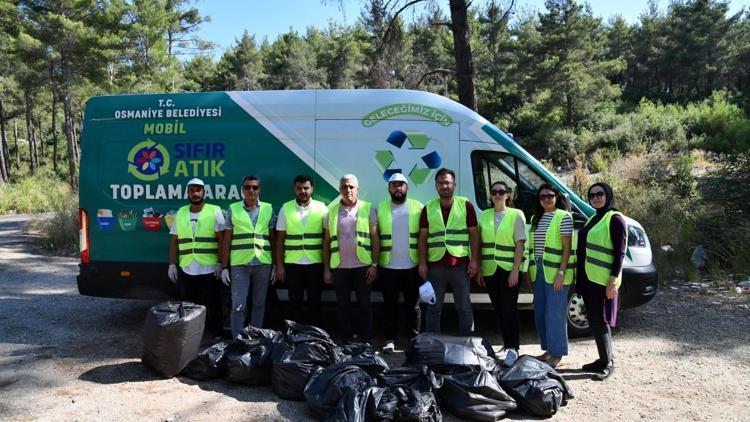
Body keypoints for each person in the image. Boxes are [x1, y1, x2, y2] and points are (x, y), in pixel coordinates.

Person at [417, 168, 479, 336]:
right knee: (433, 308)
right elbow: (422, 238)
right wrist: (422, 262)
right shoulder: (428, 208)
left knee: (464, 307)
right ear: (436, 186)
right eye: (441, 183)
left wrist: (474, 261)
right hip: (435, 267)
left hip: (460, 266)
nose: (444, 186)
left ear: (454, 185)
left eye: (448, 182)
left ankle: (466, 344)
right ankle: (433, 343)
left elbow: (474, 234)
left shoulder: (465, 205)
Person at [577, 182, 627, 380]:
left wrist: (613, 280)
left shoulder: (614, 219)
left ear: (608, 195)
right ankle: (602, 358)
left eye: (600, 194)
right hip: (589, 279)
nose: (596, 197)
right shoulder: (593, 218)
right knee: (595, 320)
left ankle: (608, 362)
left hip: (603, 280)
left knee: (601, 320)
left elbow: (620, 253)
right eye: (592, 195)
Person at [323, 174, 379, 344]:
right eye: (344, 187)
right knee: (342, 307)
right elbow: (326, 243)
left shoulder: (368, 208)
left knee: (364, 306)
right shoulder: (330, 211)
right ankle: (346, 341)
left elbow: (375, 238)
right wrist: (326, 269)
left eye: (351, 187)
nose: (348, 190)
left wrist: (375, 265)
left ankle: (366, 341)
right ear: (340, 189)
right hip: (339, 267)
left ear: (357, 189)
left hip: (363, 266)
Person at [167, 177, 226, 336]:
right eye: (192, 190)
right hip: (187, 268)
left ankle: (216, 334)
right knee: (189, 306)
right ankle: (191, 337)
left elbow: (222, 239)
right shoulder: (181, 212)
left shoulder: (214, 210)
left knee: (213, 304)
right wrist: (172, 264)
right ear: (188, 193)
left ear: (204, 192)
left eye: (198, 190)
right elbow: (174, 240)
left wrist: (221, 263)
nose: (195, 193)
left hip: (209, 267)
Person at [477, 181, 527, 366]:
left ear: (508, 195)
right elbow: (481, 244)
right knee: (498, 308)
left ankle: (513, 347)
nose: (498, 194)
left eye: (501, 191)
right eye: (494, 192)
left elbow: (520, 244)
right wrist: (481, 268)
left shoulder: (516, 214)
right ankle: (506, 344)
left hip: (509, 270)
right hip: (490, 269)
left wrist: (515, 270)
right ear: (490, 195)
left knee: (509, 309)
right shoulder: (485, 215)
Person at [220, 175, 276, 337]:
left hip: (262, 263)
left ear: (259, 190)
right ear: (242, 189)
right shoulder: (233, 209)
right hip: (240, 264)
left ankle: (256, 338)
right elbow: (226, 240)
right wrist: (224, 267)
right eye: (247, 187)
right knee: (238, 305)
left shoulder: (268, 208)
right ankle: (237, 339)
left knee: (259, 304)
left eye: (255, 187)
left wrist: (276, 265)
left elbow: (272, 238)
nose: (251, 190)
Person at [526, 183, 575, 368]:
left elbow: (567, 248)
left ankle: (558, 353)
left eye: (550, 195)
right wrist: (529, 272)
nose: (546, 199)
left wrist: (561, 273)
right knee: (541, 312)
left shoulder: (564, 217)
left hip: (556, 271)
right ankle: (548, 350)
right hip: (538, 270)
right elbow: (533, 248)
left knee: (555, 313)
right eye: (542, 196)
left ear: (556, 197)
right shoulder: (535, 218)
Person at [376, 173, 424, 353]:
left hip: (412, 265)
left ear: (407, 188)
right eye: (394, 185)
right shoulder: (380, 208)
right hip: (388, 266)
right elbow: (375, 237)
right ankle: (390, 339)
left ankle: (415, 339)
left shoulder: (418, 207)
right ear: (389, 188)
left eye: (401, 185)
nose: (398, 188)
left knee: (414, 306)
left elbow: (423, 237)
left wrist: (423, 263)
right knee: (390, 306)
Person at [275, 175, 328, 326]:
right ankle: (295, 336)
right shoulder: (286, 208)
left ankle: (314, 336)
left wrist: (326, 268)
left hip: (315, 263)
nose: (302, 191)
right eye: (299, 188)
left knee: (315, 303)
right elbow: (279, 240)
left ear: (312, 189)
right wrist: (279, 266)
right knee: (294, 303)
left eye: (306, 188)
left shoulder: (322, 208)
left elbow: (327, 238)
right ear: (294, 189)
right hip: (293, 264)